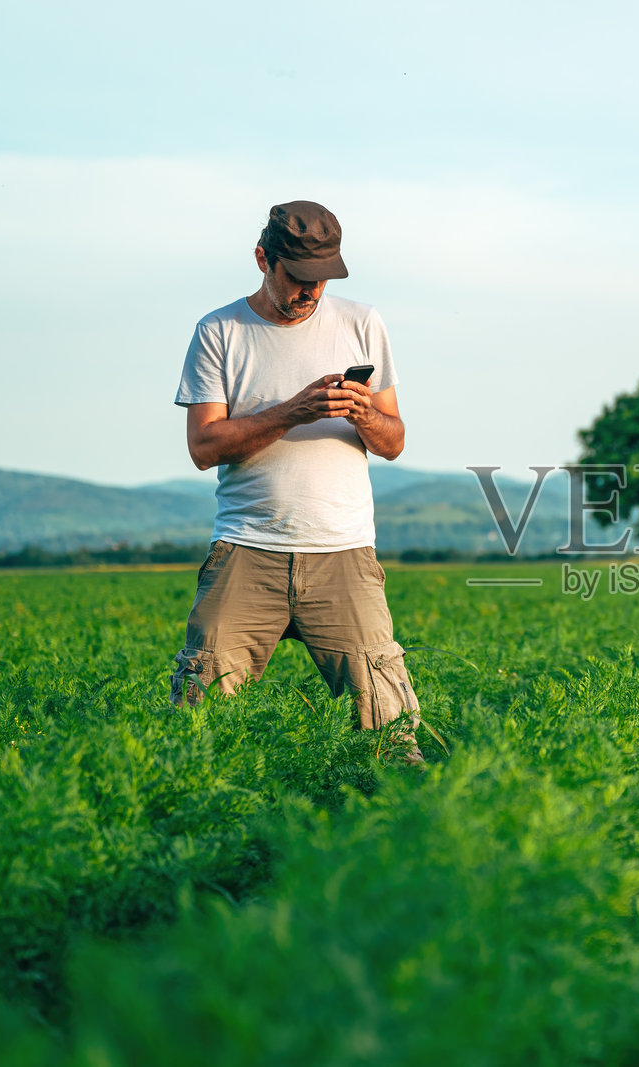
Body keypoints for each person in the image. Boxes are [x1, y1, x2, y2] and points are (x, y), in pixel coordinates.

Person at [170, 200, 421, 759]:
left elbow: (394, 441)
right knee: (198, 723)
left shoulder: (362, 323)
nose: (312, 291)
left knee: (388, 727)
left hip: (343, 553)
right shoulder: (219, 331)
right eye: (299, 278)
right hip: (246, 550)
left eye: (323, 279)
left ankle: (400, 809)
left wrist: (364, 415)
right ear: (264, 259)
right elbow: (203, 448)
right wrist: (293, 412)